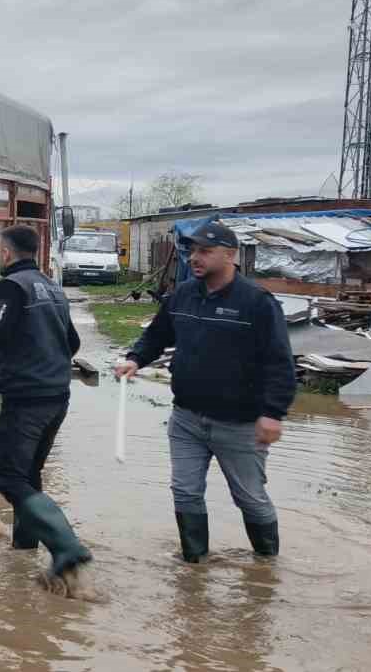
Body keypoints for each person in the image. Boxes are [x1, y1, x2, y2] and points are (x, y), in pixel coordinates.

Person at [115, 220, 294, 563]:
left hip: (240, 423)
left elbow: (279, 362)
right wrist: (135, 359)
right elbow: (157, 335)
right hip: (186, 418)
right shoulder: (182, 294)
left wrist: (273, 414)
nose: (195, 257)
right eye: (192, 250)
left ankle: (267, 565)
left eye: (205, 251)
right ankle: (194, 566)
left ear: (230, 255)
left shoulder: (256, 302)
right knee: (184, 490)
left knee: (249, 497)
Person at [0, 225, 92, 589]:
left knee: (9, 478)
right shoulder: (52, 287)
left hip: (27, 400)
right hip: (57, 397)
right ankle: (24, 547)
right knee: (28, 476)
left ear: (5, 253)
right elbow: (72, 341)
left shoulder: (12, 286)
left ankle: (67, 547)